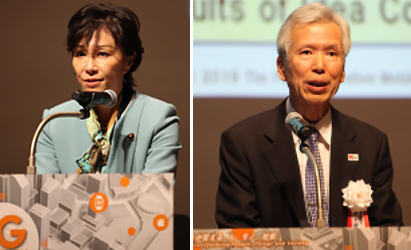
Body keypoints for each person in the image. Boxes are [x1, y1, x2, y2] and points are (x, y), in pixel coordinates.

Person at [216, 3, 402, 227]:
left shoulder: (371, 144)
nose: (320, 66)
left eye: (331, 53)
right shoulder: (243, 143)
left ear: (342, 71)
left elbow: (389, 234)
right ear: (282, 68)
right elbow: (237, 233)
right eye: (306, 52)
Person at [35, 4, 181, 174]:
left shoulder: (159, 117)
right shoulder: (52, 121)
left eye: (102, 54)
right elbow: (46, 196)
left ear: (128, 62)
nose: (89, 67)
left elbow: (153, 196)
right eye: (80, 54)